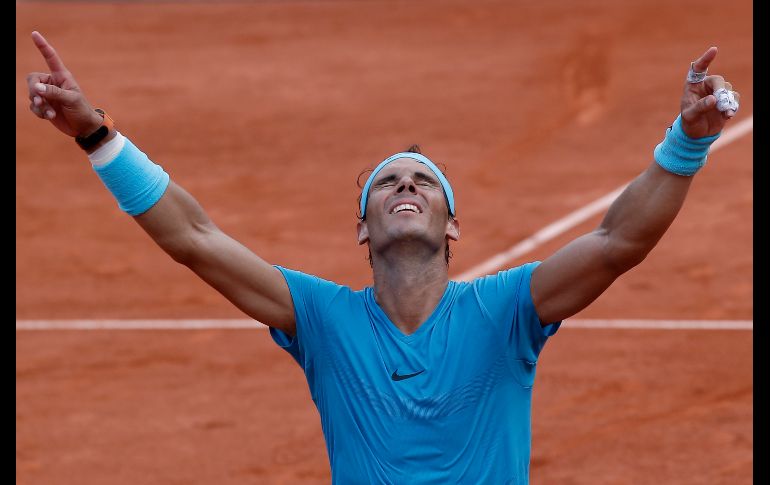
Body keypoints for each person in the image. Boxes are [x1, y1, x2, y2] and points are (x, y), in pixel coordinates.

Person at [26, 30, 739, 484]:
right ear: (362, 229)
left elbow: (619, 241)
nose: (405, 185)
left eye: (424, 181)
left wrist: (687, 142)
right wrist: (97, 135)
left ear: (452, 226)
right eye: (387, 182)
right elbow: (196, 238)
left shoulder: (507, 310)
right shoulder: (320, 318)